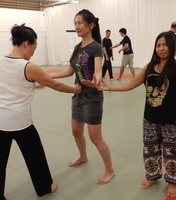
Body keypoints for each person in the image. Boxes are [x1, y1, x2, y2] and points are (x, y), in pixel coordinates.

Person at [98, 31, 176, 197]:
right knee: (150, 149)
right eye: (158, 45)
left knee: (172, 151)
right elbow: (131, 84)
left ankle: (172, 181)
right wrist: (109, 88)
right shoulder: (149, 67)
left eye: (165, 44)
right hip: (150, 118)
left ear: (173, 46)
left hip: (172, 120)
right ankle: (153, 176)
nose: (161, 48)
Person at [0, 24, 81, 200]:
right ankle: (45, 187)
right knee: (35, 155)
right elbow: (55, 84)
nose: (33, 52)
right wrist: (75, 90)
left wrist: (33, 86)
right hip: (20, 122)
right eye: (34, 48)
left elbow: (11, 84)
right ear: (27, 44)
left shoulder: (0, 61)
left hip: (1, 122)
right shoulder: (28, 66)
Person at [50, 9, 115, 184]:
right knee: (76, 131)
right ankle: (83, 156)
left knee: (95, 137)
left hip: (92, 97)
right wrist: (48, 76)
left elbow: (99, 71)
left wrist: (96, 81)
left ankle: (110, 170)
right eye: (75, 23)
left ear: (91, 25)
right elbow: (69, 71)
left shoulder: (96, 47)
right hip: (78, 95)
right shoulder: (77, 47)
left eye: (80, 23)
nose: (77, 26)